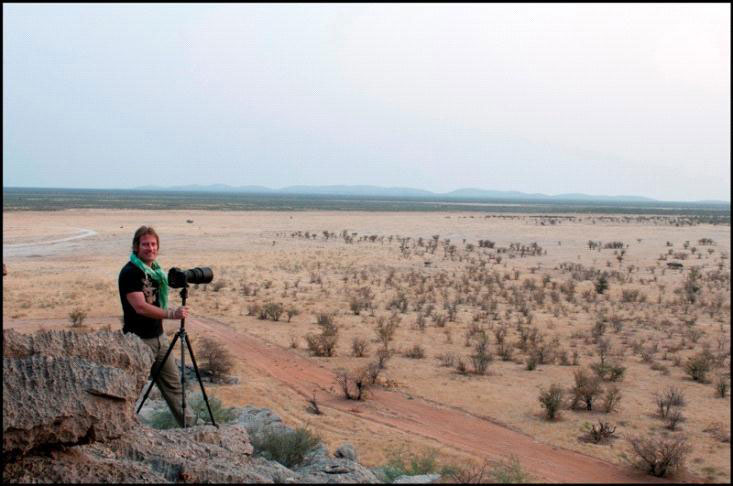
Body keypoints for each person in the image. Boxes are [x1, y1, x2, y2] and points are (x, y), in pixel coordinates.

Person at [118, 225, 191, 427]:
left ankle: (191, 428)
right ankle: (122, 427)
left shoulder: (156, 272)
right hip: (137, 341)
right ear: (136, 247)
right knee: (131, 388)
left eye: (153, 244)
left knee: (174, 386)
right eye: (145, 244)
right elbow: (140, 307)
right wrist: (171, 314)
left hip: (159, 339)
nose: (150, 248)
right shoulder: (130, 272)